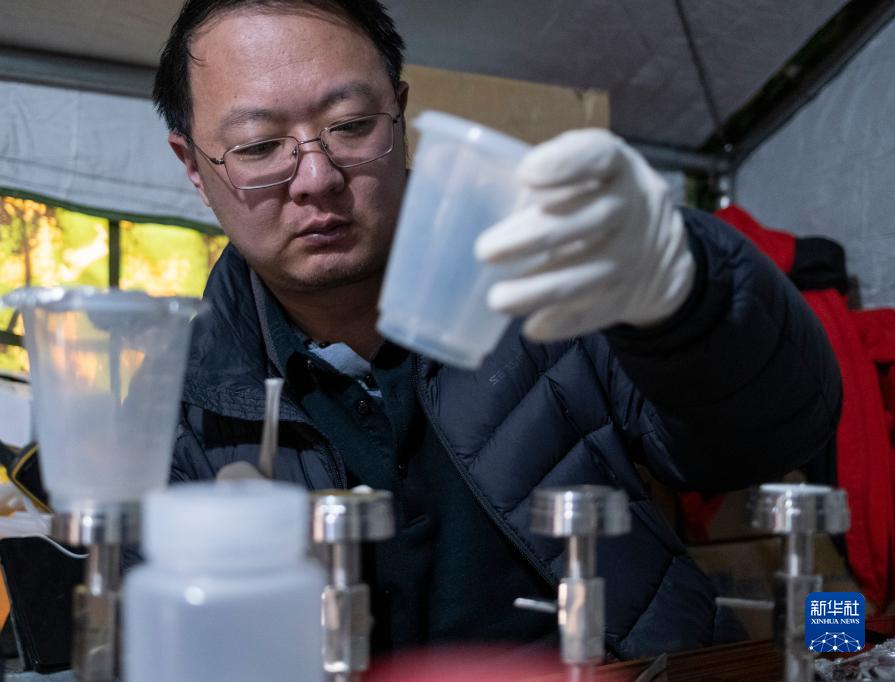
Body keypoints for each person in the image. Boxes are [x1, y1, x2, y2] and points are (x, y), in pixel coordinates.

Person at [150, 0, 841, 661]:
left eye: (352, 125)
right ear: (194, 168)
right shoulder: (177, 408)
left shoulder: (548, 274)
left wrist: (688, 294)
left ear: (400, 114)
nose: (317, 176)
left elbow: (769, 438)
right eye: (259, 146)